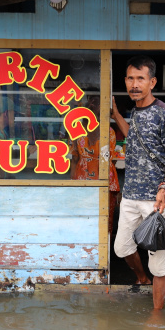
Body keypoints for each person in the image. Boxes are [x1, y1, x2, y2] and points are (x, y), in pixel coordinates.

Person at [111, 56, 165, 310]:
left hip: (157, 200)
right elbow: (134, 137)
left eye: (140, 78)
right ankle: (141, 278)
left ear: (152, 82)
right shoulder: (135, 111)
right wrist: (117, 114)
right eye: (130, 78)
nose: (134, 84)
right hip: (130, 197)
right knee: (121, 247)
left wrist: (164, 186)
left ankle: (157, 314)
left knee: (159, 262)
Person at [70, 96, 121, 236]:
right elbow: (111, 157)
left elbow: (74, 159)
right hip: (105, 178)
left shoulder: (77, 129)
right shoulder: (108, 131)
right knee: (105, 220)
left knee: (84, 219)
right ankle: (105, 254)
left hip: (82, 178)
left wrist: (71, 184)